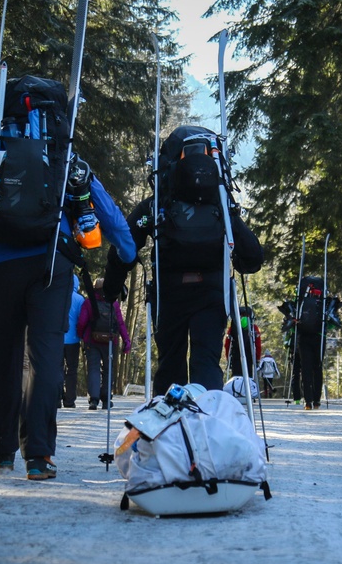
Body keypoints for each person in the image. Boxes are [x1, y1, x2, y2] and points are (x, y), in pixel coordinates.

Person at [0, 122, 136, 480]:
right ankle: (39, 456)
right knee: (45, 358)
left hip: (1, 265)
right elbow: (110, 216)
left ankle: (3, 451)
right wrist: (125, 254)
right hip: (52, 265)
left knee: (3, 356)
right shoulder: (64, 159)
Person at [103, 126, 263, 396]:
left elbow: (125, 246)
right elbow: (253, 259)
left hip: (169, 294)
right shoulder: (223, 208)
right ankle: (207, 424)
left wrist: (111, 289)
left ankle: (169, 428)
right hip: (213, 293)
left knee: (170, 363)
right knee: (206, 362)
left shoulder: (154, 207)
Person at [76, 277, 131, 410]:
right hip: (111, 341)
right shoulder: (114, 303)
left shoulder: (89, 302)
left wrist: (81, 335)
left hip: (92, 340)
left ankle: (94, 400)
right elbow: (120, 323)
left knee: (94, 368)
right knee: (108, 369)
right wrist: (126, 340)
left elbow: (82, 322)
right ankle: (106, 399)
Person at [288, 276, 341, 410]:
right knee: (317, 367)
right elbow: (331, 323)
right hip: (319, 336)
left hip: (303, 336)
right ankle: (317, 400)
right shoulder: (323, 302)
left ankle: (308, 401)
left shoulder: (300, 300)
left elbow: (292, 319)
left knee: (305, 368)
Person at [61, 274, 84, 408]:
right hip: (73, 340)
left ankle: (57, 398)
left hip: (58, 338)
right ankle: (69, 400)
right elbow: (82, 319)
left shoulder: (59, 296)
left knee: (58, 368)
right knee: (72, 370)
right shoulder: (80, 299)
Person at [224, 305, 262, 379]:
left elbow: (227, 345)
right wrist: (257, 358)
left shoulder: (233, 327)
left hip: (236, 356)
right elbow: (258, 345)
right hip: (249, 357)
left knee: (236, 378)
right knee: (248, 378)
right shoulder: (254, 328)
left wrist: (228, 359)